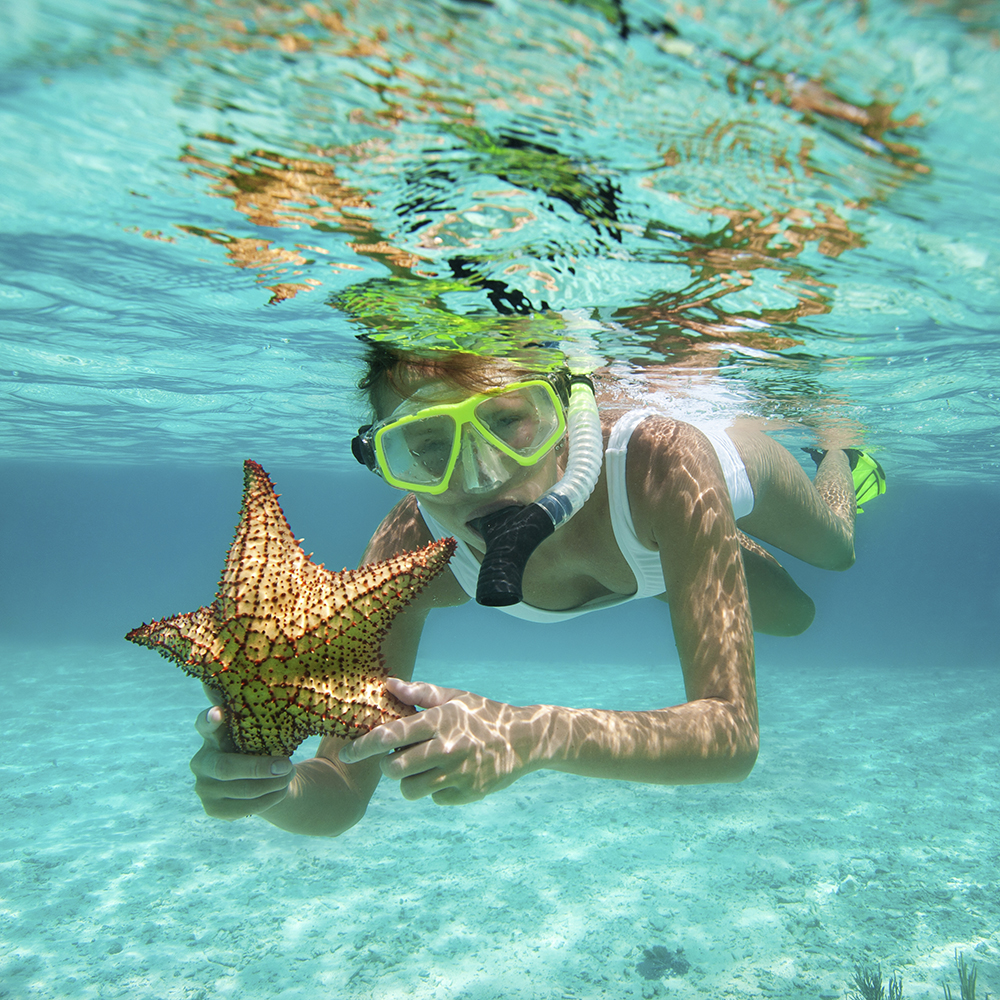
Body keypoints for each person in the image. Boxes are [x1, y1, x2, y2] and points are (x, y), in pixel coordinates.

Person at [190, 346, 884, 836]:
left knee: (827, 568)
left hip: (689, 491)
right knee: (776, 611)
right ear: (386, 458)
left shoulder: (666, 462)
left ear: (566, 413)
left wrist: (533, 734)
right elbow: (338, 797)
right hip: (649, 547)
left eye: (507, 421)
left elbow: (733, 737)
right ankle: (677, 570)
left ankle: (838, 455)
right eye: (428, 445)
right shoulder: (408, 556)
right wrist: (266, 790)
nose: (482, 475)